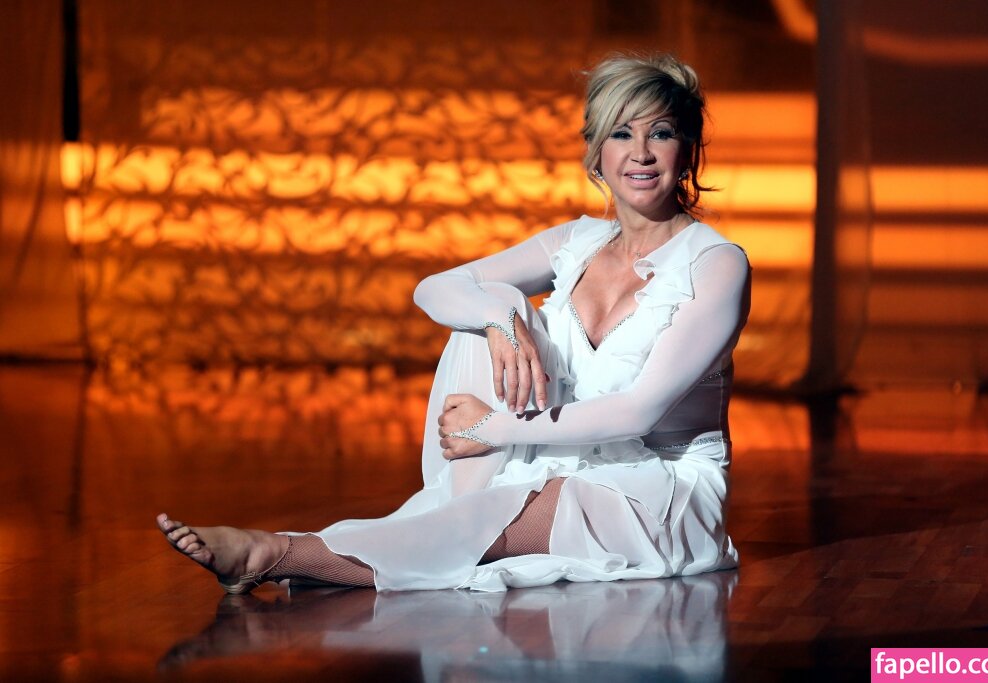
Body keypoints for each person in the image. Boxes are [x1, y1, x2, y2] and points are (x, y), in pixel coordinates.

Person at [157, 53, 751, 593]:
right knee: (488, 305)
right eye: (622, 133)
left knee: (490, 524)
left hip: (658, 490)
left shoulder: (716, 264)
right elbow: (435, 288)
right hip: (550, 459)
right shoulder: (577, 241)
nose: (640, 153)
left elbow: (638, 413)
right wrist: (500, 318)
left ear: (687, 150)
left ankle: (274, 552)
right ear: (597, 151)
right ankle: (445, 519)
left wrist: (493, 428)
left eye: (660, 133)